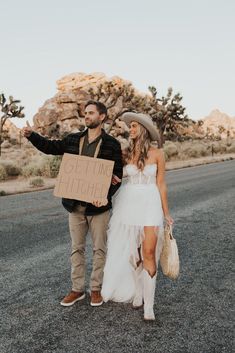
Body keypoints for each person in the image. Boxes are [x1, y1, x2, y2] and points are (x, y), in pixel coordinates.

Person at [22, 100, 123, 307]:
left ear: (102, 117)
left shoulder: (112, 144)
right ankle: (77, 289)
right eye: (85, 113)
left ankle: (95, 289)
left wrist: (106, 194)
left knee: (99, 249)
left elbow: (117, 175)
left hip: (99, 208)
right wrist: (32, 136)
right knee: (77, 249)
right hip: (74, 206)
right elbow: (50, 147)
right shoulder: (73, 139)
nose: (86, 116)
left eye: (91, 113)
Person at [101, 112, 174, 321]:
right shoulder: (125, 153)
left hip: (150, 204)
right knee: (134, 254)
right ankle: (139, 292)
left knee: (149, 251)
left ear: (143, 129)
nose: (130, 130)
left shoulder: (158, 153)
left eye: (133, 126)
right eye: (129, 126)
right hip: (129, 204)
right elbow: (113, 175)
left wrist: (166, 212)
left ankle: (149, 307)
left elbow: (161, 183)